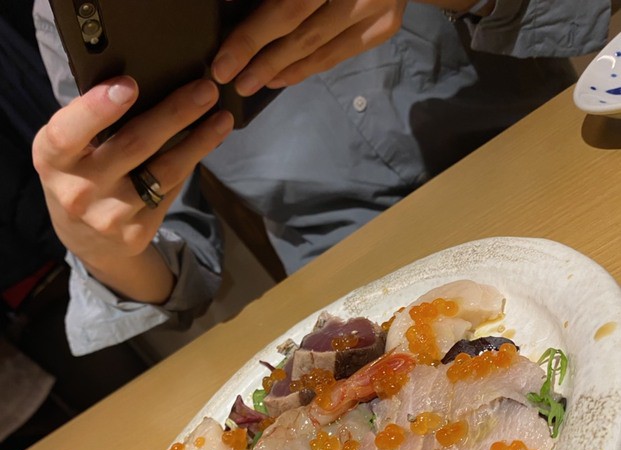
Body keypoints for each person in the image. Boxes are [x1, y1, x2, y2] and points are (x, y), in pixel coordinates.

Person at [33, 0, 610, 356]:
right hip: (353, 289)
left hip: (553, 167)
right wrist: (103, 249)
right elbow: (178, 263)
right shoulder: (70, 18)